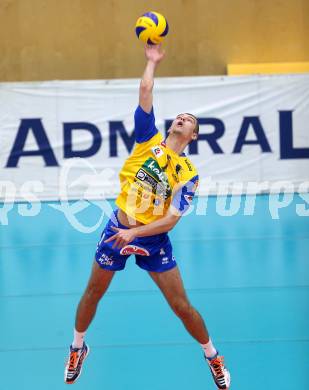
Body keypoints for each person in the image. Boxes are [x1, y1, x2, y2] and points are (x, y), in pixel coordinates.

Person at [64, 44, 231, 390]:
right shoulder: (148, 141)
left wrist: (136, 236)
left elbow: (171, 221)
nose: (182, 118)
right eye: (180, 116)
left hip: (152, 240)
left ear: (194, 135)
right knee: (93, 291)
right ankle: (78, 347)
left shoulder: (187, 174)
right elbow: (144, 91)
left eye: (190, 120)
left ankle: (213, 356)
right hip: (117, 230)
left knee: (181, 306)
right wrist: (151, 62)